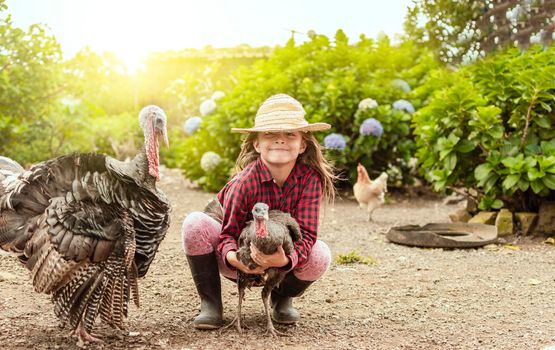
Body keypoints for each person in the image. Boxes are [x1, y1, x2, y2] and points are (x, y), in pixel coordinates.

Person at [181, 93, 337, 329]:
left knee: (320, 255)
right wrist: (236, 259)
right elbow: (227, 234)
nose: (280, 140)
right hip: (239, 261)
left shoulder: (309, 181)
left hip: (282, 263)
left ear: (302, 144)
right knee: (195, 223)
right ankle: (210, 304)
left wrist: (284, 260)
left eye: (290, 134)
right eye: (270, 134)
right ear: (257, 143)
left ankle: (281, 299)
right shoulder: (243, 183)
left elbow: (306, 235)